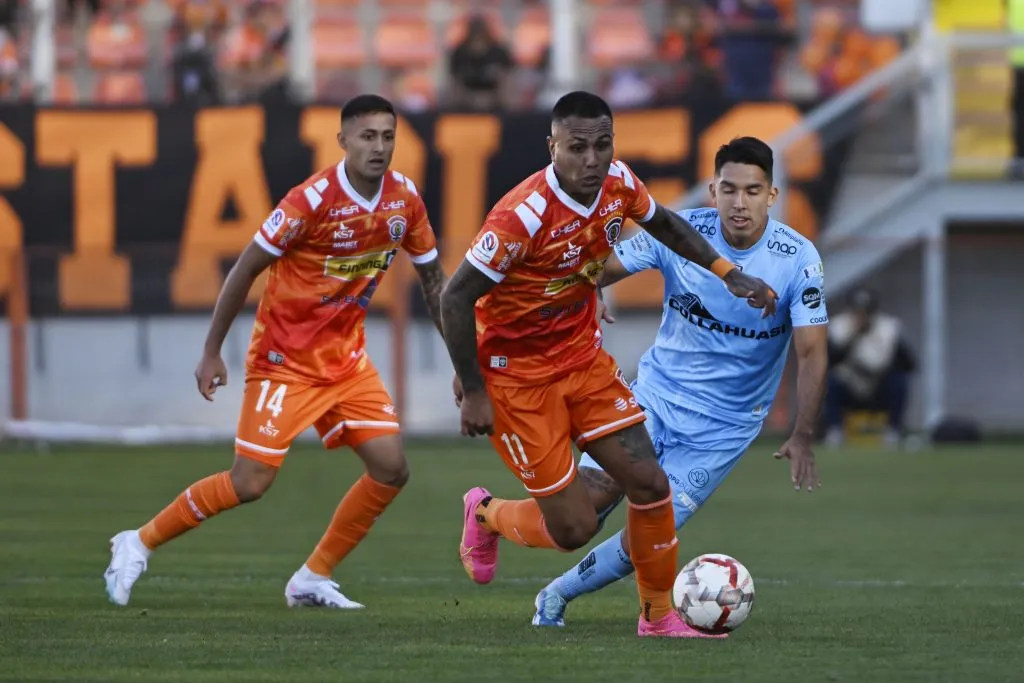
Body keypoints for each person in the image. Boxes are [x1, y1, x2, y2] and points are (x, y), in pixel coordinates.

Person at [439, 92, 778, 638]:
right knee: (573, 528)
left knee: (649, 484)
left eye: (602, 144)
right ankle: (486, 514)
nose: (592, 159)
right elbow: (456, 297)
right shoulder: (520, 216)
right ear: (553, 147)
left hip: (583, 363)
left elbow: (664, 223)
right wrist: (475, 385)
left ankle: (658, 616)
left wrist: (724, 271)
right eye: (577, 147)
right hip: (520, 383)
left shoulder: (617, 181)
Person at [103, 95, 448, 609]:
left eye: (387, 136)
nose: (379, 147)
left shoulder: (405, 200)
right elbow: (245, 268)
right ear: (343, 141)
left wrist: (463, 364)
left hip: (346, 361)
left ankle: (311, 577)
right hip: (284, 361)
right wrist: (212, 350)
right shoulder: (311, 201)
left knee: (391, 467)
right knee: (250, 483)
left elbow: (434, 282)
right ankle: (138, 541)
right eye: (367, 136)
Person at [529, 136, 830, 628]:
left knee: (649, 532)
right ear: (712, 191)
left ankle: (555, 595)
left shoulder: (798, 258)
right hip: (655, 397)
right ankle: (488, 514)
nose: (739, 203)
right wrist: (588, 290)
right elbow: (598, 269)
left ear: (772, 196)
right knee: (587, 506)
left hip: (724, 428)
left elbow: (812, 348)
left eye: (753, 191)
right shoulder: (681, 232)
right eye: (728, 189)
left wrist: (802, 433)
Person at [824, 287, 915, 448]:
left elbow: (910, 365)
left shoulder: (890, 328)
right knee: (829, 381)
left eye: (867, 311)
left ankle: (893, 431)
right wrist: (853, 337)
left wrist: (891, 357)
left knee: (899, 380)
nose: (862, 316)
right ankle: (835, 431)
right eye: (857, 311)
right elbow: (830, 361)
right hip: (850, 387)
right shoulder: (838, 326)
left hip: (879, 387)